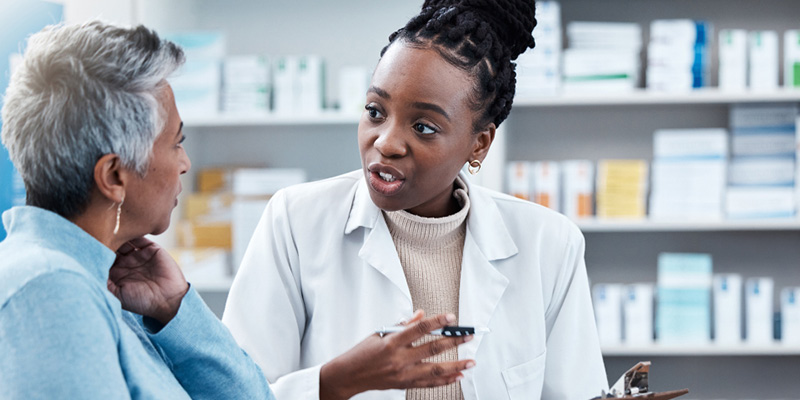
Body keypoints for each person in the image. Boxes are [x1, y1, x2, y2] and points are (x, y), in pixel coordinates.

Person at [222, 0, 609, 399]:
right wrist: (337, 381)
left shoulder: (549, 244)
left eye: (423, 127)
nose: (386, 143)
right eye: (375, 111)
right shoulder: (296, 222)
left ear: (479, 143)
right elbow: (233, 391)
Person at [0, 21, 276, 398]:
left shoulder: (104, 278)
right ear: (114, 176)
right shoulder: (51, 289)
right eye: (176, 143)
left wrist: (174, 308)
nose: (185, 163)